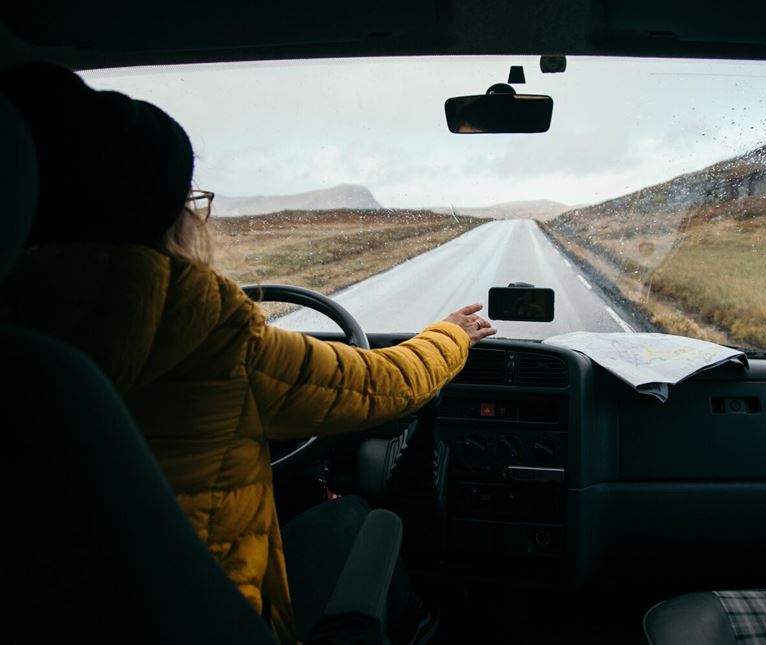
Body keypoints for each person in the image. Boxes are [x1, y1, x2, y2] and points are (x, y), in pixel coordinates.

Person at [0, 63, 495, 645]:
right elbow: (377, 386)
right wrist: (450, 337)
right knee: (364, 520)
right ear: (159, 218)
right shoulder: (199, 321)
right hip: (211, 613)